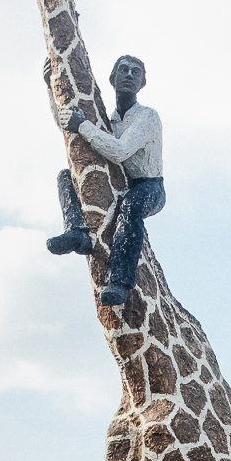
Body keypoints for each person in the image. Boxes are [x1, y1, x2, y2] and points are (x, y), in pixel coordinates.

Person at [45, 54, 165, 308]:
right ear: (112, 78)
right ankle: (77, 231)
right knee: (67, 175)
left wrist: (85, 127)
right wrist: (50, 87)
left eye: (136, 72)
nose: (129, 75)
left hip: (149, 185)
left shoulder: (148, 117)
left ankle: (120, 281)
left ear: (142, 83)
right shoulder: (108, 120)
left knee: (131, 205)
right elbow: (69, 124)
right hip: (122, 178)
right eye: (123, 70)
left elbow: (120, 151)